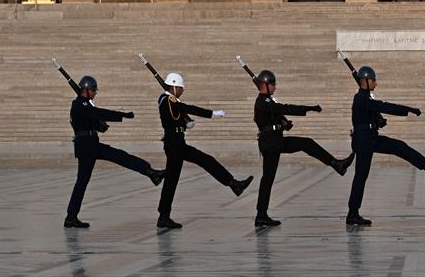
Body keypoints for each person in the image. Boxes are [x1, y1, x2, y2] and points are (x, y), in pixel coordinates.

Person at [346, 66, 425, 227]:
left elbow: (376, 112)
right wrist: (409, 109)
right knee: (361, 176)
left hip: (370, 137)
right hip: (363, 141)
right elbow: (386, 107)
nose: (376, 83)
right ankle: (352, 214)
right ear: (365, 81)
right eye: (373, 80)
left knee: (398, 146)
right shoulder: (362, 99)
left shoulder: (365, 98)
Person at [253, 68, 354, 228]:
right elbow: (286, 108)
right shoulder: (263, 102)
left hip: (273, 141)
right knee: (304, 145)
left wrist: (283, 125)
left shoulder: (267, 102)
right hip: (271, 143)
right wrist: (309, 108)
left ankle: (261, 215)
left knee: (268, 178)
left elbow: (275, 118)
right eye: (273, 84)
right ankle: (336, 164)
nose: (275, 87)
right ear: (265, 85)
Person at [155, 71, 252, 230]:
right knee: (172, 180)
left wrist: (186, 123)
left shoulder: (171, 101)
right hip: (173, 144)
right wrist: (212, 114)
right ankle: (163, 216)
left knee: (206, 160)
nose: (182, 90)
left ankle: (233, 184)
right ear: (173, 87)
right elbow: (186, 107)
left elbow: (176, 115)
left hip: (178, 143)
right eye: (180, 87)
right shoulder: (167, 100)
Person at [65, 75, 165, 228]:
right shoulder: (78, 105)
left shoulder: (85, 105)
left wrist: (101, 126)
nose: (95, 92)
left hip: (90, 144)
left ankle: (71, 217)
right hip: (86, 146)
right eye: (93, 90)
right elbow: (99, 113)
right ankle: (150, 172)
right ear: (85, 90)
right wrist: (122, 115)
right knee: (118, 157)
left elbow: (96, 122)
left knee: (84, 181)